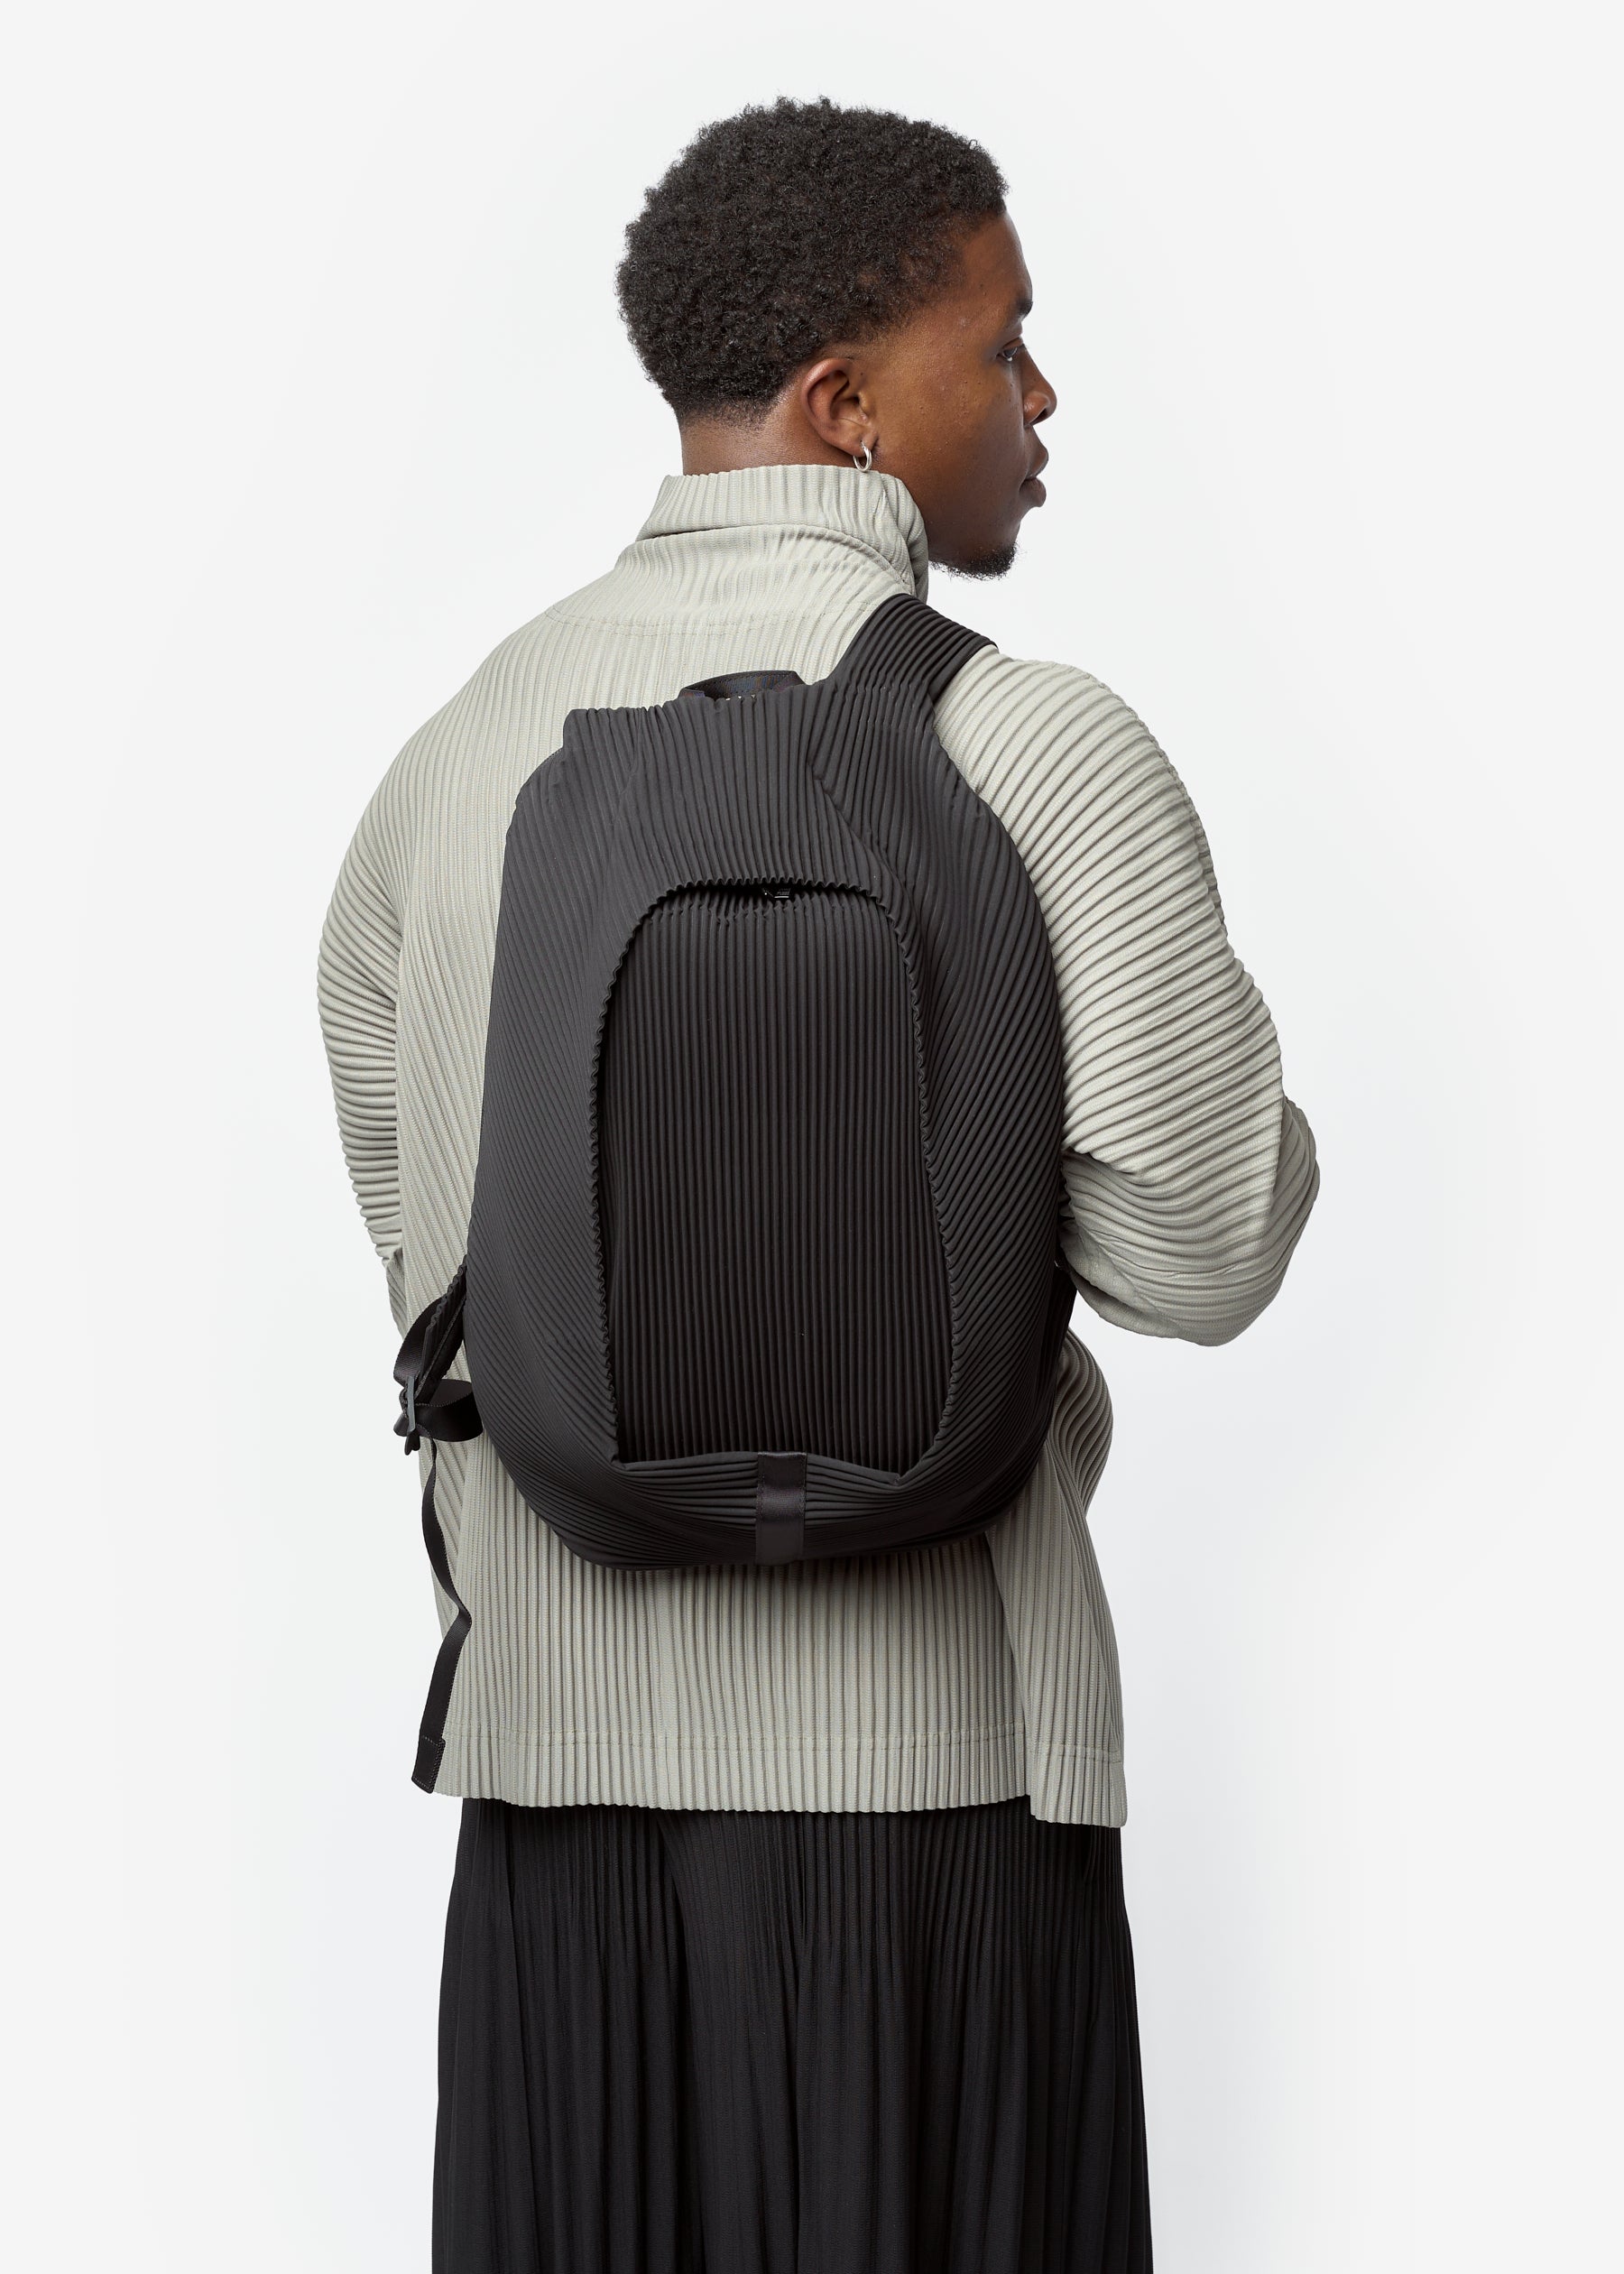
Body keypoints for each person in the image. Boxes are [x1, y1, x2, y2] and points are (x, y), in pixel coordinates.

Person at [318, 96, 1318, 2274]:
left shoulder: (459, 758)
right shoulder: (1035, 747)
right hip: (938, 1802)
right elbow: (1211, 1243)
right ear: (848, 405)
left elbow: (439, 1266)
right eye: (1003, 342)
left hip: (558, 1818)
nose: (1042, 397)